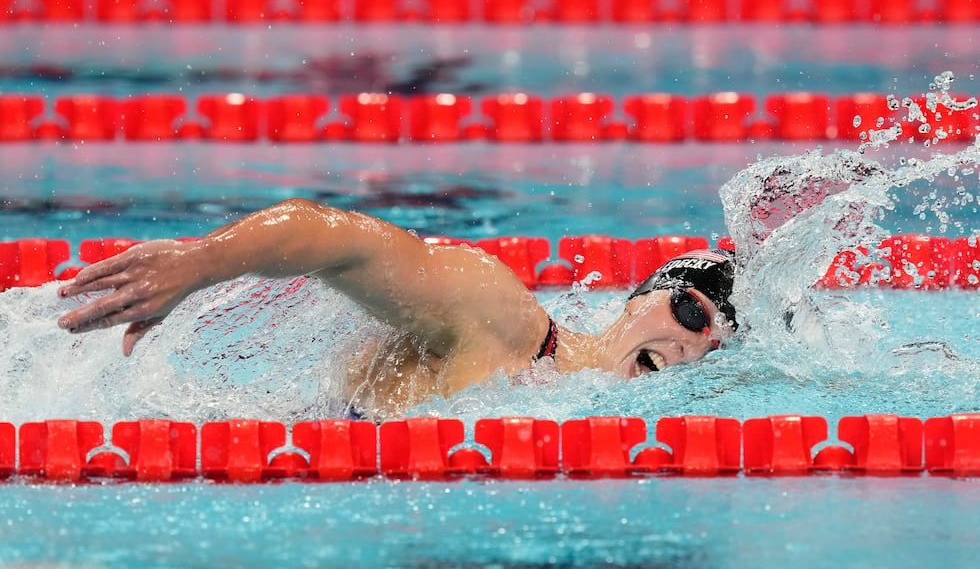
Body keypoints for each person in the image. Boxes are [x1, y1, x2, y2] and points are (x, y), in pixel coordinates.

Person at [57, 198, 738, 418]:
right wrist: (196, 264)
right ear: (640, 297)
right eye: (690, 312)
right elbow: (336, 239)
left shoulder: (588, 415)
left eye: (715, 345)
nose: (692, 344)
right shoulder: (504, 317)